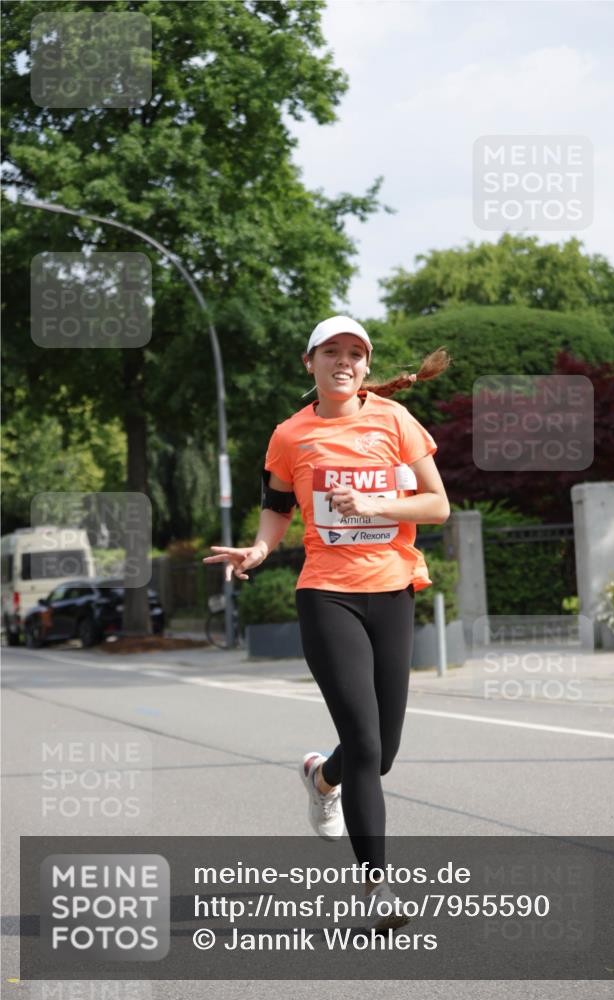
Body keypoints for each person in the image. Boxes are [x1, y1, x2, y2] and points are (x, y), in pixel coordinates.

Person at [204, 315, 451, 930]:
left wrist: (374, 504)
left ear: (366, 366)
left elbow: (438, 505)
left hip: (392, 589)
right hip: (327, 594)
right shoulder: (290, 435)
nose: (344, 362)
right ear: (309, 362)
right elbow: (276, 506)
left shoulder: (395, 421)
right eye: (332, 352)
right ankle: (377, 889)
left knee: (382, 753)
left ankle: (322, 777)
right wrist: (260, 549)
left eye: (355, 353)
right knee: (364, 743)